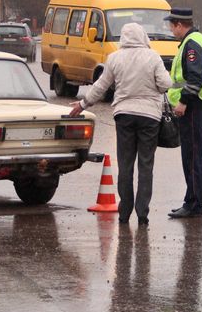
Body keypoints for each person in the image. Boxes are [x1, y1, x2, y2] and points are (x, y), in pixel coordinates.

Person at [70, 23, 172, 225]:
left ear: (124, 38)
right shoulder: (153, 56)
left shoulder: (115, 58)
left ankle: (124, 212)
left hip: (124, 115)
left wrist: (83, 104)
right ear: (143, 36)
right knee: (146, 165)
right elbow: (165, 84)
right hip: (150, 117)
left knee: (125, 165)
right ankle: (142, 213)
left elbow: (100, 86)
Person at [165, 8, 202, 219]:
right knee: (192, 154)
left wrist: (183, 102)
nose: (170, 29)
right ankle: (192, 200)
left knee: (193, 155)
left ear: (179, 25)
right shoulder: (194, 40)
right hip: (197, 104)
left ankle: (194, 203)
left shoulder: (192, 44)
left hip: (194, 106)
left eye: (171, 25)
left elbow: (195, 79)